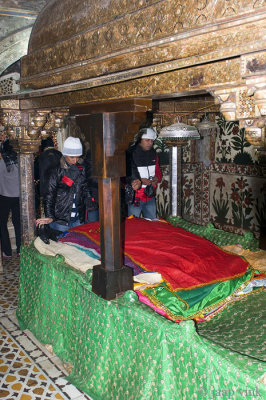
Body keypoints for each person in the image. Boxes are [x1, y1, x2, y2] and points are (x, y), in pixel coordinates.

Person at [36, 136, 91, 233]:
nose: (75, 160)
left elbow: (85, 186)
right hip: (61, 220)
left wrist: (89, 199)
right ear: (65, 155)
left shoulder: (82, 166)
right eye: (72, 157)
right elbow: (49, 195)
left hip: (79, 218)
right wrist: (50, 216)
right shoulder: (56, 170)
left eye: (78, 157)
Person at [126, 127, 162, 219]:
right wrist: (140, 181)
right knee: (133, 225)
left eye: (152, 141)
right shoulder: (130, 153)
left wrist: (156, 178)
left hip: (150, 196)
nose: (150, 143)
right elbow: (125, 175)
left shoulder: (154, 153)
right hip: (135, 197)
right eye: (147, 140)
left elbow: (158, 171)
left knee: (152, 224)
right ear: (140, 139)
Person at [0, 140, 21, 257]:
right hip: (18, 196)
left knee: (2, 223)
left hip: (4, 196)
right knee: (18, 223)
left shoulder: (3, 162)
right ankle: (19, 250)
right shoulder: (19, 161)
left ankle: (7, 251)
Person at [84, 149, 99, 222]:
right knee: (92, 227)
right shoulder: (92, 153)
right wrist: (105, 182)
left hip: (109, 197)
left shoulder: (112, 150)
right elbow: (90, 175)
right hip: (93, 196)